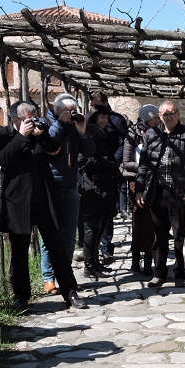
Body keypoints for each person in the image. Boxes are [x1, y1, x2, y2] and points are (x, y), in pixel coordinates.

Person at [0, 101, 88, 309]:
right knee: (19, 252)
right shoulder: (2, 135)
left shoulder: (39, 133)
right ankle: (21, 297)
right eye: (28, 118)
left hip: (44, 200)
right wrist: (21, 136)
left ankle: (70, 293)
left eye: (35, 117)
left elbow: (54, 149)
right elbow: (4, 159)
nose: (33, 121)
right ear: (16, 119)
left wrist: (40, 135)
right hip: (18, 203)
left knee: (57, 247)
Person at [135, 101, 185, 288]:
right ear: (159, 116)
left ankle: (181, 274)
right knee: (158, 235)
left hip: (180, 192)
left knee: (180, 234)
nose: (169, 117)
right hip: (157, 191)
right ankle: (159, 273)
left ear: (178, 114)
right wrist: (139, 189)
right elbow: (143, 165)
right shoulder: (151, 135)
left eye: (172, 113)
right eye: (165, 114)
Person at [40, 93, 94, 295]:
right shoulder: (46, 123)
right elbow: (49, 144)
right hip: (51, 186)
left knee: (70, 235)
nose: (70, 115)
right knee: (49, 234)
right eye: (66, 111)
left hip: (71, 185)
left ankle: (66, 276)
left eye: (73, 111)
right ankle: (49, 278)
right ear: (57, 111)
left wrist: (82, 132)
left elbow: (89, 151)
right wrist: (61, 124)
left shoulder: (75, 127)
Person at [78, 106, 118, 278]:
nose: (104, 120)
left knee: (100, 226)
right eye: (101, 117)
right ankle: (89, 266)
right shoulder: (90, 133)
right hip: (92, 186)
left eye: (107, 118)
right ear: (94, 117)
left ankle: (95, 263)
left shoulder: (102, 134)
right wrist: (105, 162)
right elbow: (83, 159)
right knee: (91, 228)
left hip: (104, 185)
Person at [121, 104, 160, 275]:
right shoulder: (132, 135)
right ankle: (135, 261)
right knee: (139, 224)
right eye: (155, 118)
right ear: (147, 118)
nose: (158, 121)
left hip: (153, 183)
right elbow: (125, 162)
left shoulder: (158, 134)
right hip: (136, 184)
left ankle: (148, 262)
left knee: (152, 224)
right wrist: (144, 166)